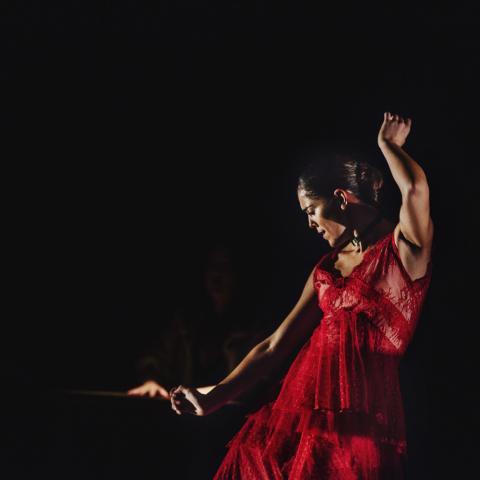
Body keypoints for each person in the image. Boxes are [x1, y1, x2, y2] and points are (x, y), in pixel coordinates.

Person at [170, 112, 434, 479]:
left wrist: (388, 147)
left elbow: (416, 191)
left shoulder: (403, 251)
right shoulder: (326, 268)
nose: (310, 223)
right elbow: (275, 345)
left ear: (341, 198)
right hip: (301, 422)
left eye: (311, 210)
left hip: (362, 429)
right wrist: (214, 396)